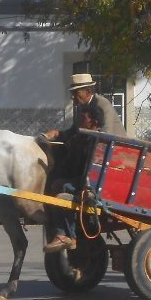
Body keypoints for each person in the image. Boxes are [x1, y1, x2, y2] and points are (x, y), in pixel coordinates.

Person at [43, 102, 102, 253]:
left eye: (82, 118)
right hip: (80, 180)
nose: (77, 122)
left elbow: (92, 175)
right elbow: (69, 163)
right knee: (58, 185)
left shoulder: (99, 143)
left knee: (62, 196)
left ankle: (67, 236)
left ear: (93, 123)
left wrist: (71, 185)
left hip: (91, 186)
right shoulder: (79, 139)